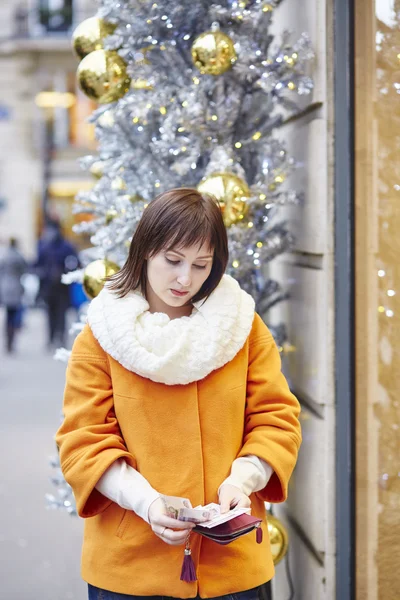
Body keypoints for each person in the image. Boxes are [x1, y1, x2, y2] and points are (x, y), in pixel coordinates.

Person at [56, 188, 301, 600]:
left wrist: (242, 481)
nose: (185, 278)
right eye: (173, 260)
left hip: (233, 567)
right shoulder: (103, 335)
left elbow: (276, 420)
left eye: (201, 265)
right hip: (130, 568)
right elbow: (84, 442)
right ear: (146, 249)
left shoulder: (242, 327)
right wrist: (147, 504)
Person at [35, 221, 79, 348]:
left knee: (61, 313)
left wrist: (65, 272)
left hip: (62, 286)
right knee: (51, 314)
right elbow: (38, 264)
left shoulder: (66, 246)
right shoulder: (44, 246)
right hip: (49, 286)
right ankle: (51, 337)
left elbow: (75, 263)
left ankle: (59, 337)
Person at [0, 237, 27, 353]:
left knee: (8, 315)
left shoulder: (4, 256)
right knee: (14, 315)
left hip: (5, 287)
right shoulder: (18, 256)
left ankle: (8, 341)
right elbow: (24, 269)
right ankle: (11, 340)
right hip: (15, 287)